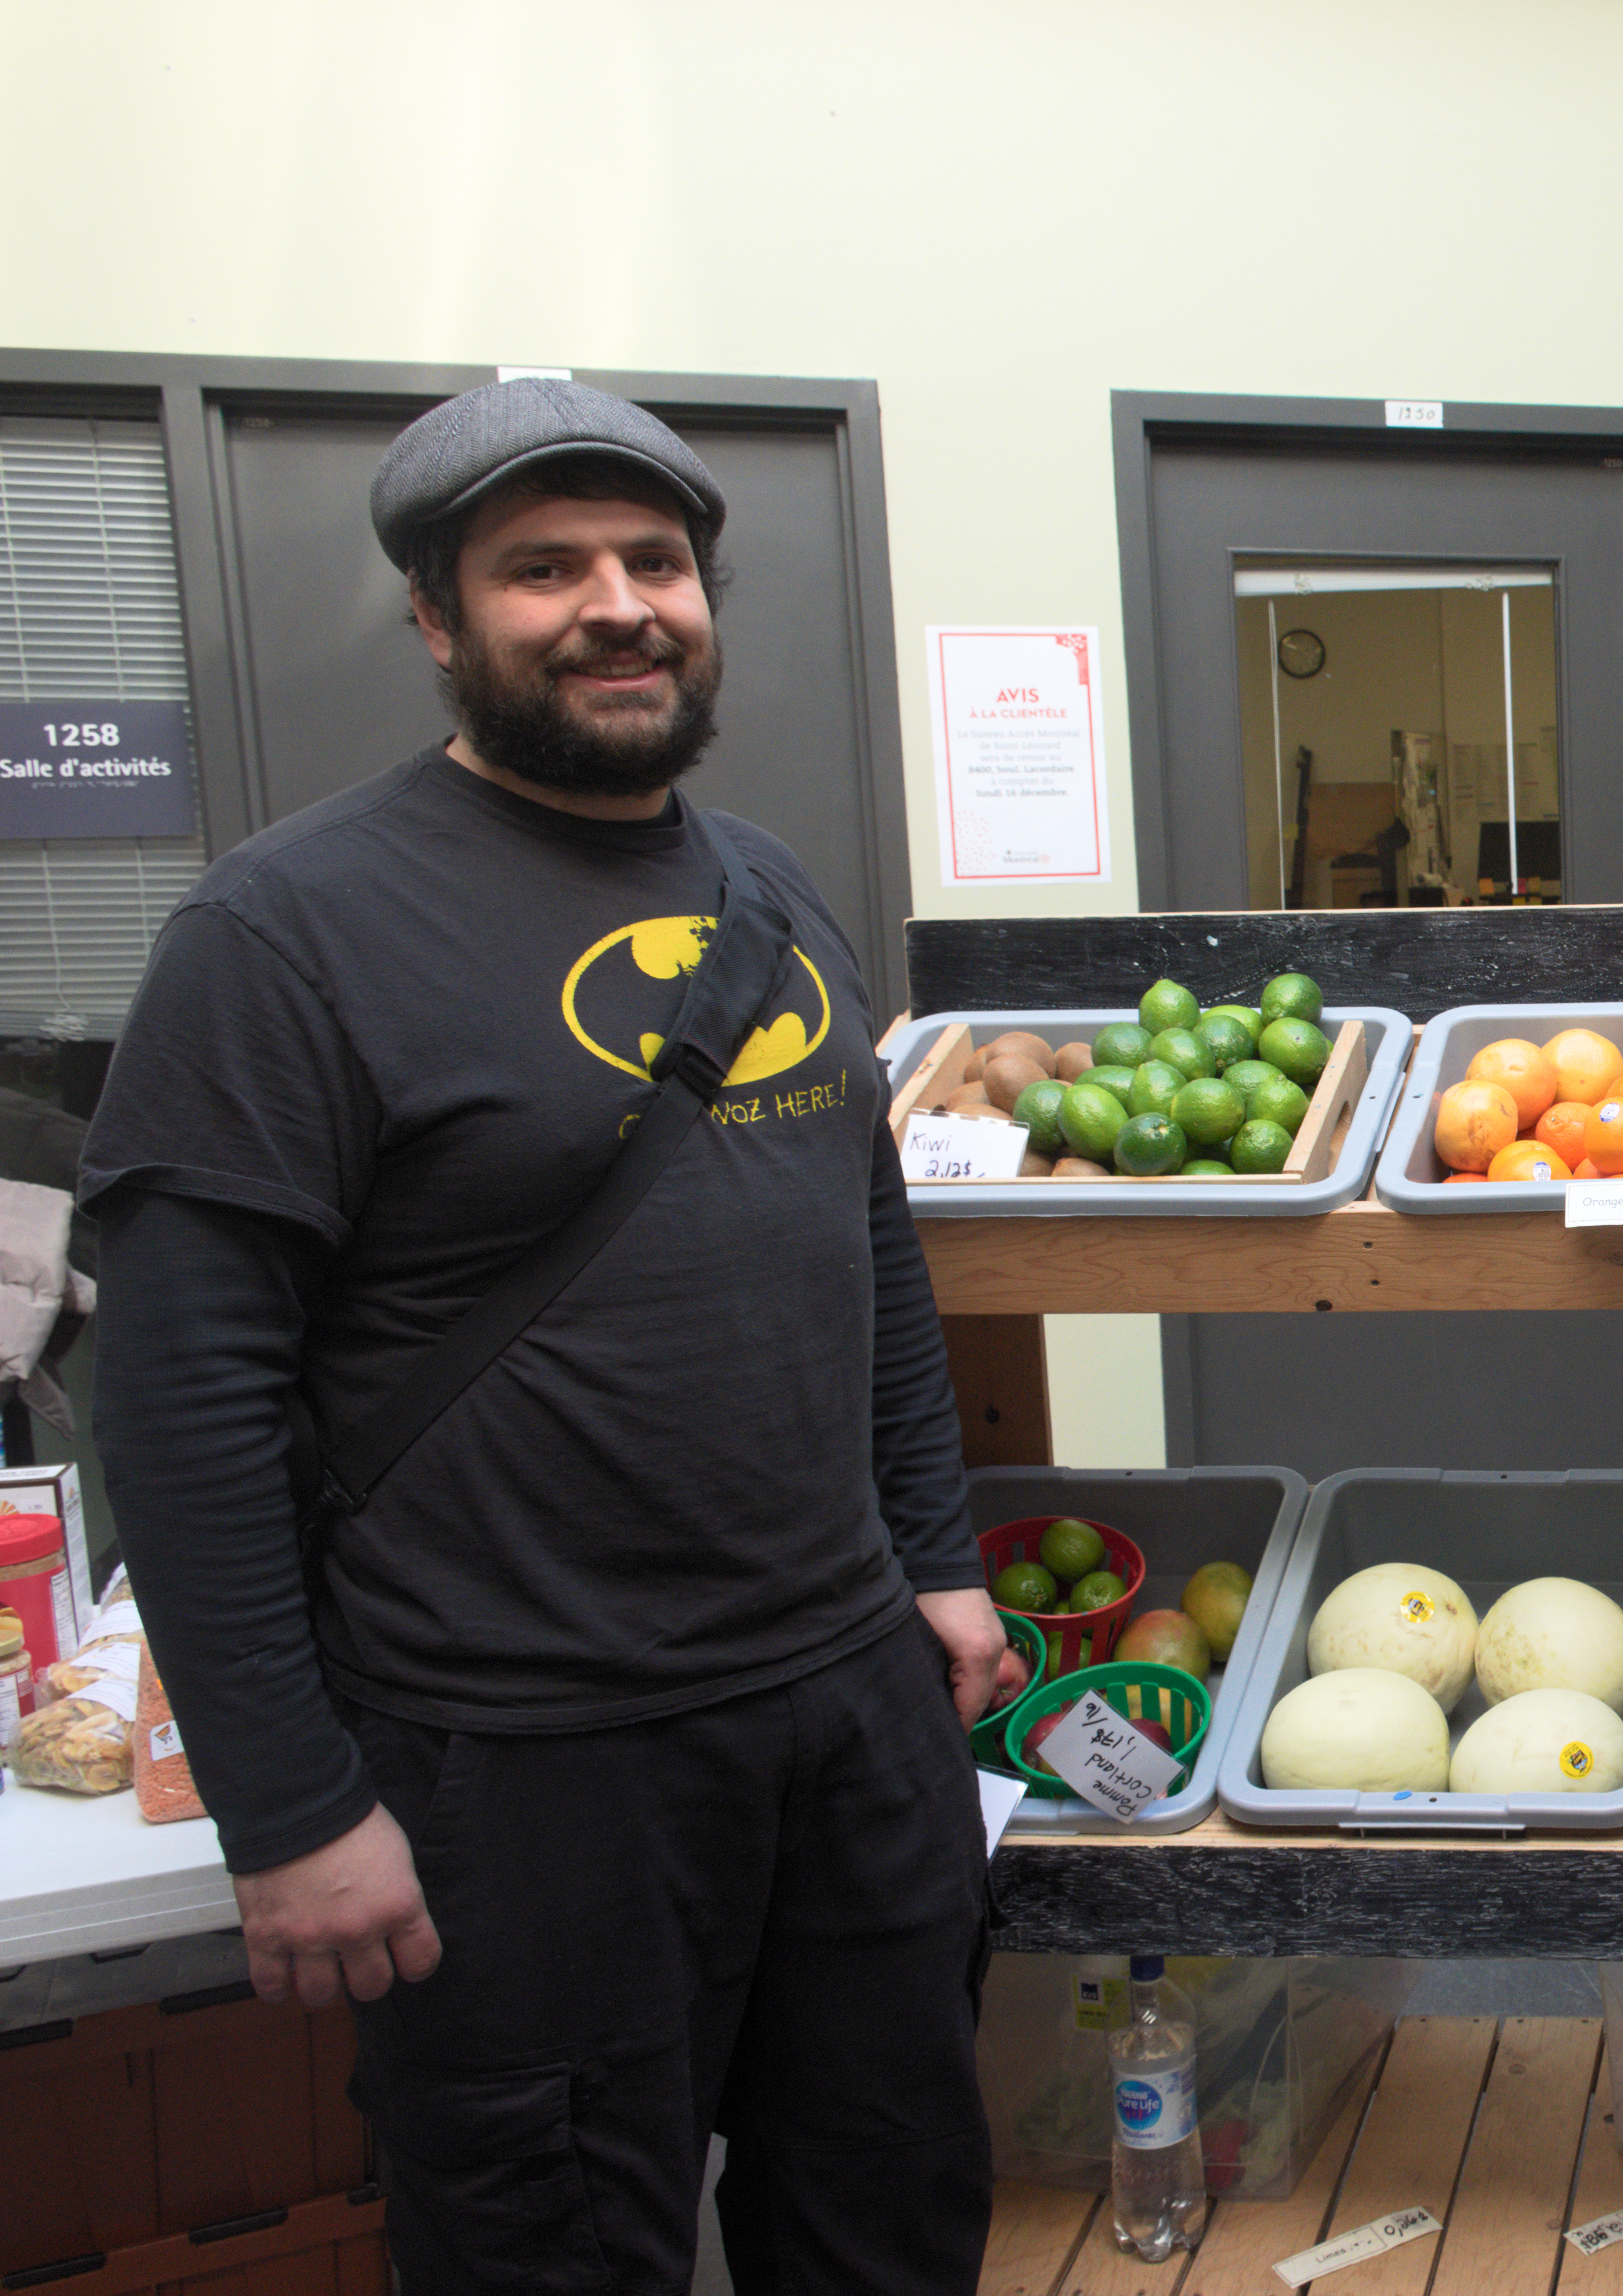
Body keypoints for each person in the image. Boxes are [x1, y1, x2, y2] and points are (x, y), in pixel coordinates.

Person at [80, 377, 1010, 2295]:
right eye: (544, 568)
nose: (618, 605)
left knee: (893, 2222)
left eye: (656, 561)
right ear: (439, 619)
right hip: (520, 1766)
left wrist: (934, 1558)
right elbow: (180, 1405)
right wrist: (291, 1807)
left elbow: (866, 1243)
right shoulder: (282, 934)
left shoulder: (768, 886)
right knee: (555, 2254)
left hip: (849, 1720)